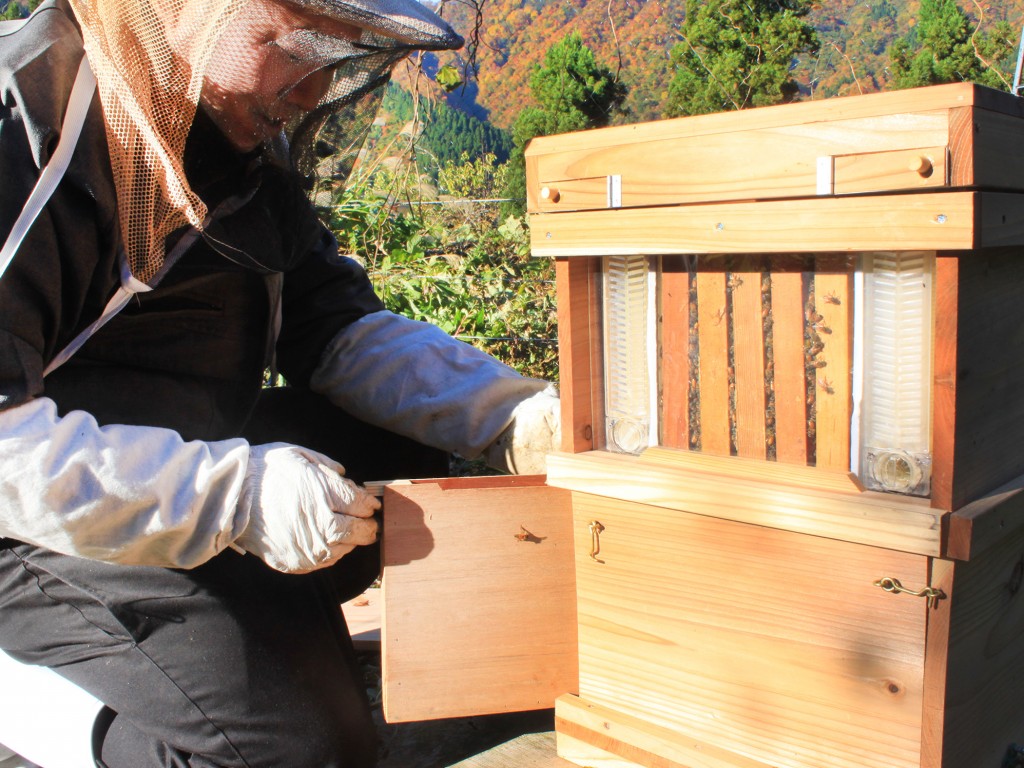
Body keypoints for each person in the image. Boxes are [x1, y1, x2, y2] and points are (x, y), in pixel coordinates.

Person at [0, 0, 559, 765]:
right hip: (20, 521)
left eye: (340, 54)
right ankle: (47, 703)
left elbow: (333, 328)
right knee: (299, 752)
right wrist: (237, 499)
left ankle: (224, 642)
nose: (312, 89)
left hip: (154, 463)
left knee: (414, 473)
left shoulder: (231, 134)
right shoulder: (23, 121)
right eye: (295, 46)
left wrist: (507, 415)